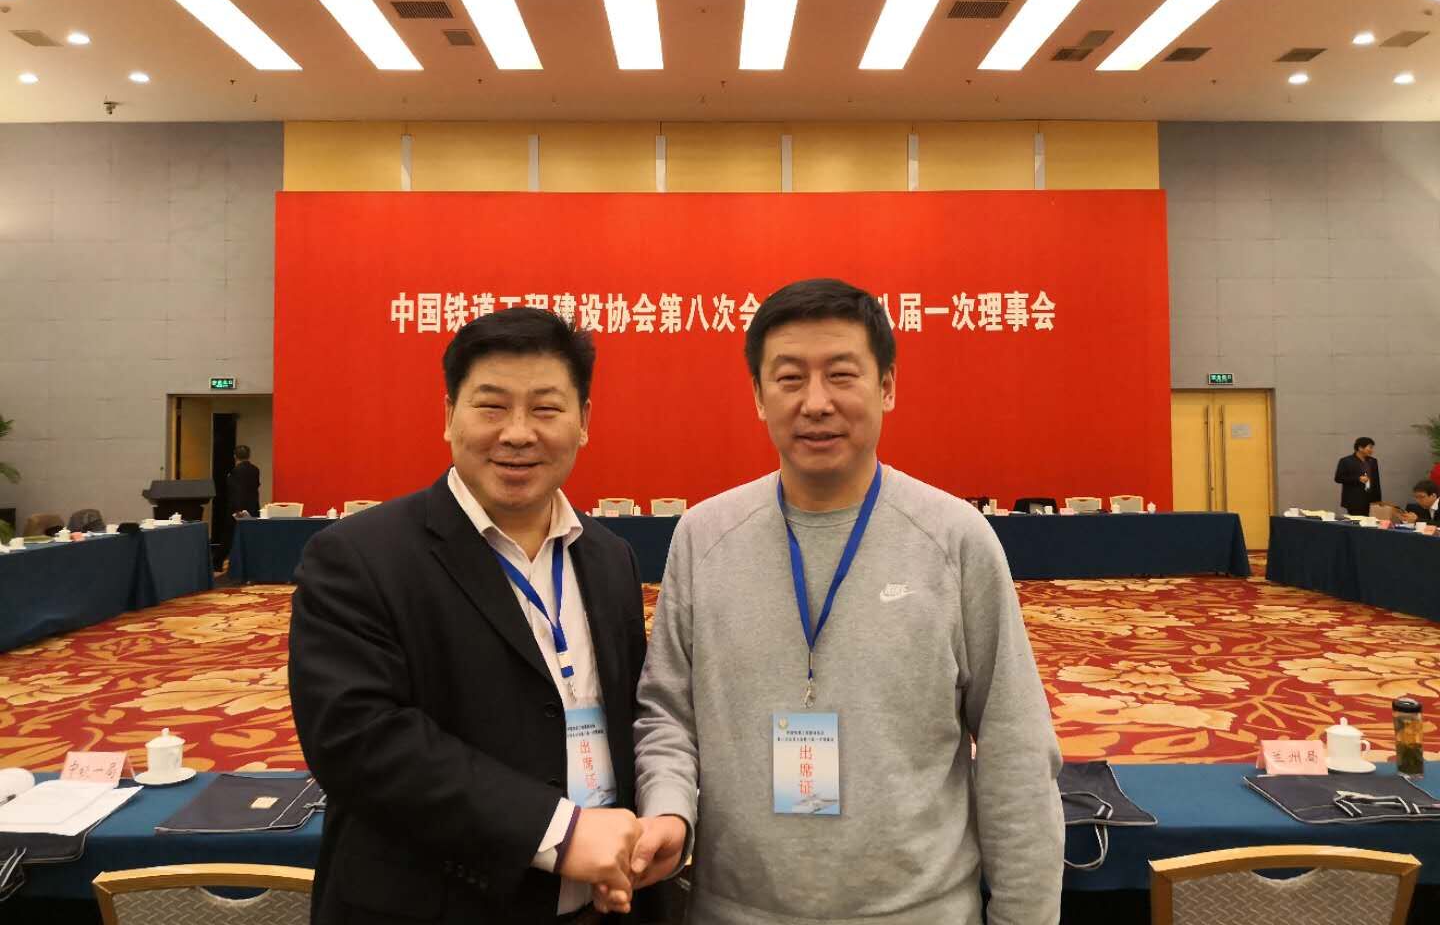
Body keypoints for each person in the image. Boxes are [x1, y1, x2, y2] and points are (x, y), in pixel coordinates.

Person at [620, 278, 1064, 925]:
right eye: (790, 378)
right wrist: (668, 807)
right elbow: (666, 713)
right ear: (758, 395)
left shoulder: (955, 540)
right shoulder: (703, 538)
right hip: (734, 910)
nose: (816, 403)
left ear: (887, 386)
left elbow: (1014, 748)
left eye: (841, 375)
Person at [289, 308, 659, 924]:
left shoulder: (609, 557)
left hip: (601, 902)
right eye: (491, 407)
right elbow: (359, 740)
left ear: (584, 422)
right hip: (435, 906)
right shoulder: (357, 556)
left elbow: (630, 714)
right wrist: (558, 832)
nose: (517, 433)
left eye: (546, 409)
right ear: (448, 415)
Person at [1335, 437, 1382, 518]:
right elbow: (1338, 478)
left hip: (1371, 500)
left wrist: (1378, 500)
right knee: (1357, 522)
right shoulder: (1346, 461)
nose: (1372, 450)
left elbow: (1376, 481)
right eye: (1370, 447)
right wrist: (1358, 479)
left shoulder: (1373, 461)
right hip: (1354, 500)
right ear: (1360, 448)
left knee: (1370, 522)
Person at [227, 444, 262, 518]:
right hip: (254, 507)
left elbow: (236, 491)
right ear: (249, 455)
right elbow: (256, 485)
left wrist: (238, 510)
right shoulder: (255, 469)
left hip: (240, 510)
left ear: (235, 456)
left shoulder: (235, 471)